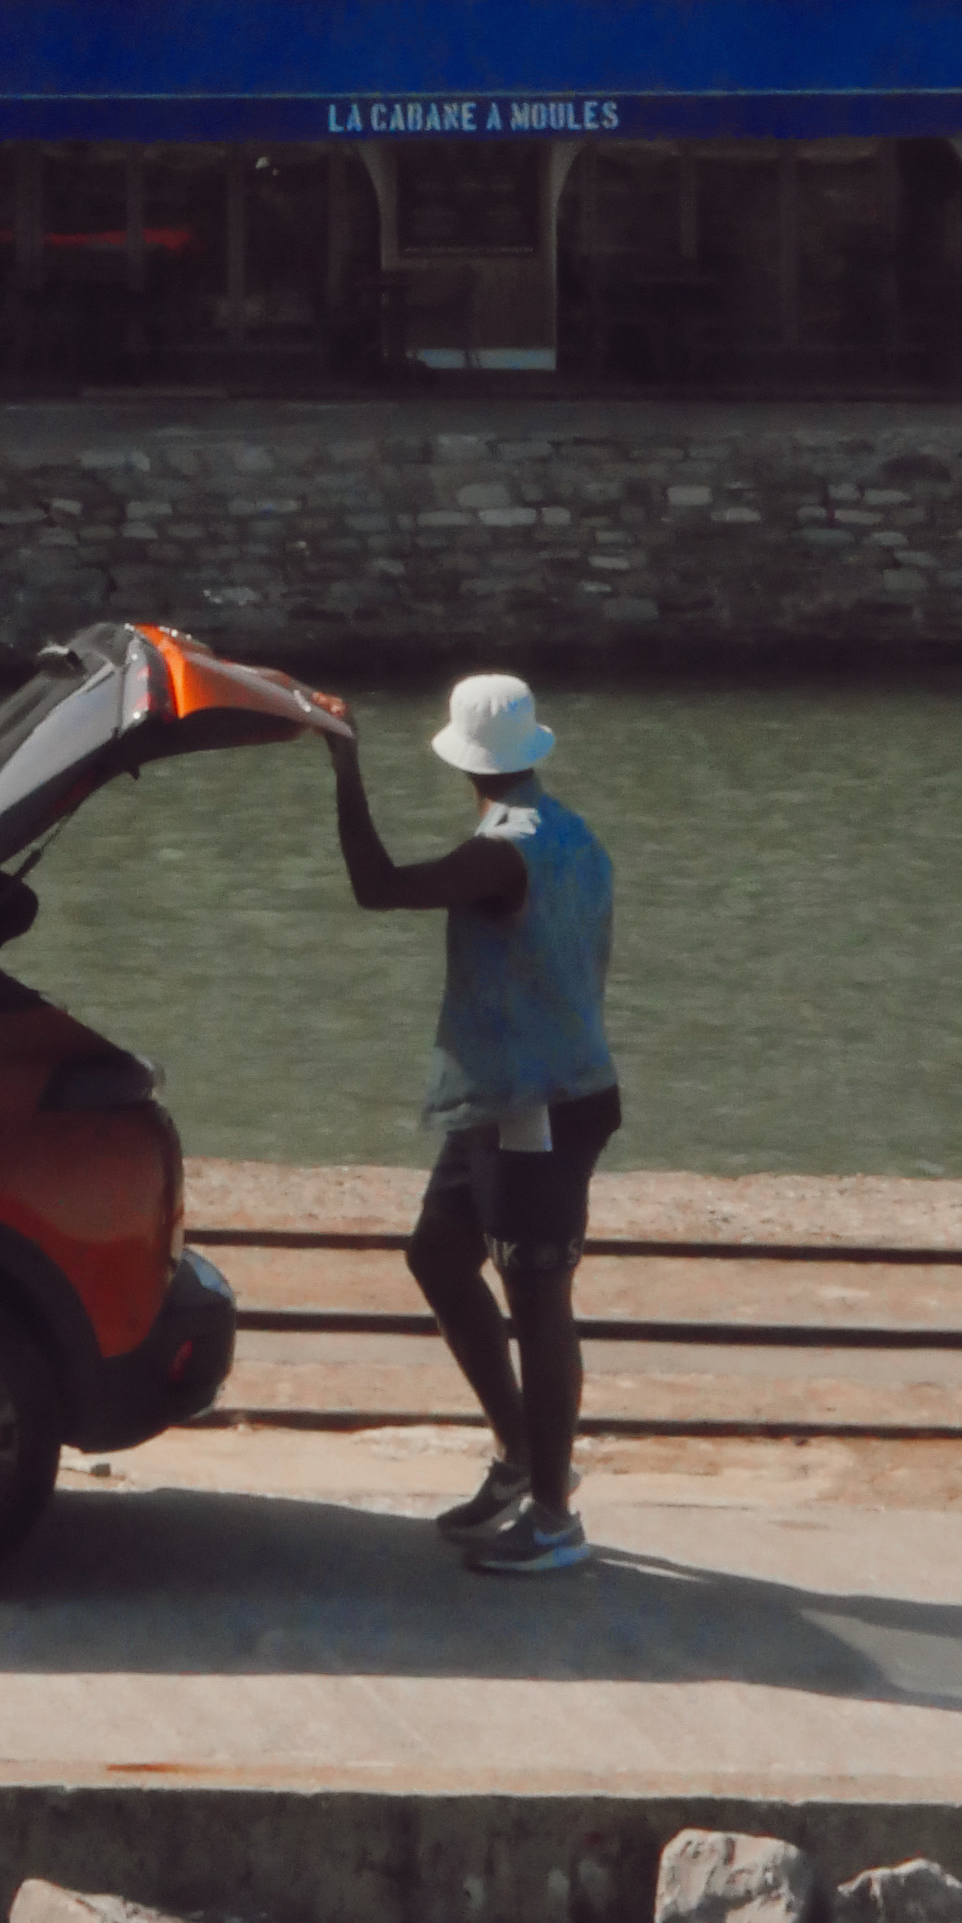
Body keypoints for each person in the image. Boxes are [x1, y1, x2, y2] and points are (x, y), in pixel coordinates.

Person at [322, 670, 617, 1577]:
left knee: (538, 1297)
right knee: (439, 1257)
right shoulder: (571, 832)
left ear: (465, 761)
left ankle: (556, 1515)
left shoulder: (503, 851)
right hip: (512, 1094)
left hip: (537, 1108)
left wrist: (344, 767)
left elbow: (377, 887)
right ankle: (521, 1455)